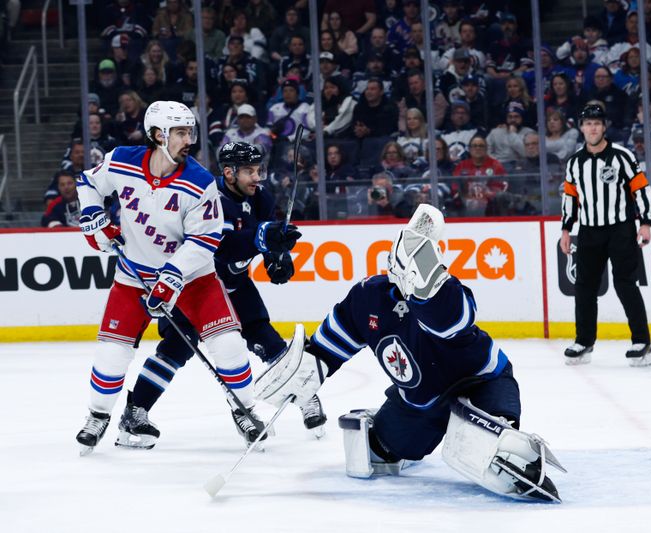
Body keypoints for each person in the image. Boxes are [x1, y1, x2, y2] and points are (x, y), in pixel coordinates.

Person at [255, 204, 565, 502]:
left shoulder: (449, 294)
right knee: (378, 450)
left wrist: (427, 287)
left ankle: (498, 436)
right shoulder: (367, 299)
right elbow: (327, 347)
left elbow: (447, 321)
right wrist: (307, 370)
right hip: (420, 403)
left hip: (483, 381)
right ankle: (394, 435)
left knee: (497, 445)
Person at [73, 101, 293, 454]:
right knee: (112, 354)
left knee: (230, 346)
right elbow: (87, 183)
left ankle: (245, 410)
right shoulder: (121, 160)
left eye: (190, 131)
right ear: (158, 134)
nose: (188, 139)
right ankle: (99, 416)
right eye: (180, 132)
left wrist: (173, 277)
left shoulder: (200, 181)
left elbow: (205, 240)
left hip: (195, 279)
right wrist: (93, 215)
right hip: (133, 276)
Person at [122, 142, 324, 448]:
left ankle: (305, 396)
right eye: (248, 171)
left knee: (266, 339)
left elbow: (264, 236)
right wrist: (264, 239)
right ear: (229, 173)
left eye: (258, 170)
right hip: (196, 287)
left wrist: (278, 259)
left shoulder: (261, 197)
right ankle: (135, 411)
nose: (256, 177)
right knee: (177, 347)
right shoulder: (209, 198)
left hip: (235, 284)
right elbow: (225, 245)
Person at [559, 104, 651, 367]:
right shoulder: (575, 163)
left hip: (620, 229)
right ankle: (584, 341)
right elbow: (570, 198)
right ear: (581, 127)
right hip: (588, 231)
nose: (592, 128)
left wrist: (645, 222)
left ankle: (641, 342)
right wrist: (566, 229)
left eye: (597, 123)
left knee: (625, 284)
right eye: (588, 123)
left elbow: (642, 190)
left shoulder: (622, 156)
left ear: (604, 127)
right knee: (585, 287)